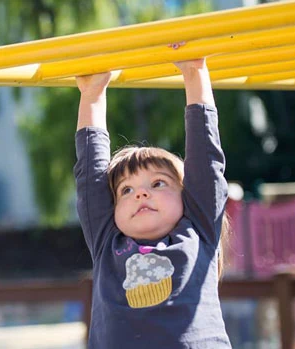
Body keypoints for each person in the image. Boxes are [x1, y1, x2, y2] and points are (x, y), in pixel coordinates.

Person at [73, 57, 231, 348]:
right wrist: (92, 95)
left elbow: (206, 160)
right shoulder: (107, 241)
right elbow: (90, 179)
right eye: (126, 190)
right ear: (113, 208)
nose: (140, 194)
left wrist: (195, 73)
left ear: (187, 194)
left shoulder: (198, 230)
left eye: (158, 183)